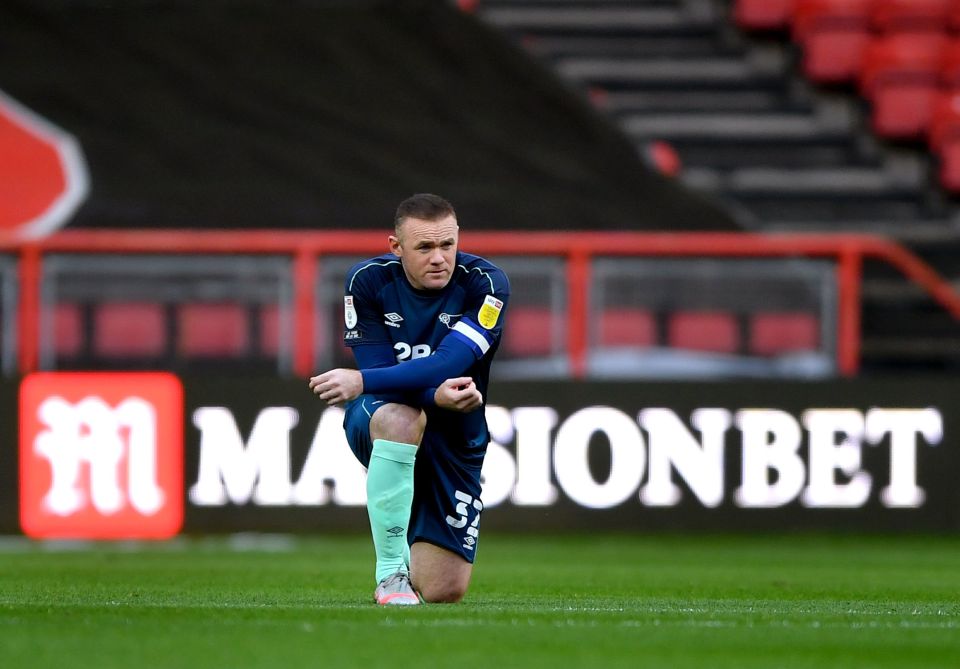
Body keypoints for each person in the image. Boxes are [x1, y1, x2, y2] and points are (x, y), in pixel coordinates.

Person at [308, 193, 510, 605]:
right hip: (382, 412)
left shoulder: (486, 285)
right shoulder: (368, 282)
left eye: (447, 245)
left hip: (457, 431)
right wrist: (426, 394)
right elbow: (382, 378)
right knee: (401, 417)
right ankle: (391, 575)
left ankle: (410, 542)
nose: (439, 258)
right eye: (424, 247)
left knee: (443, 590)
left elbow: (448, 362)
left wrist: (360, 380)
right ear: (396, 247)